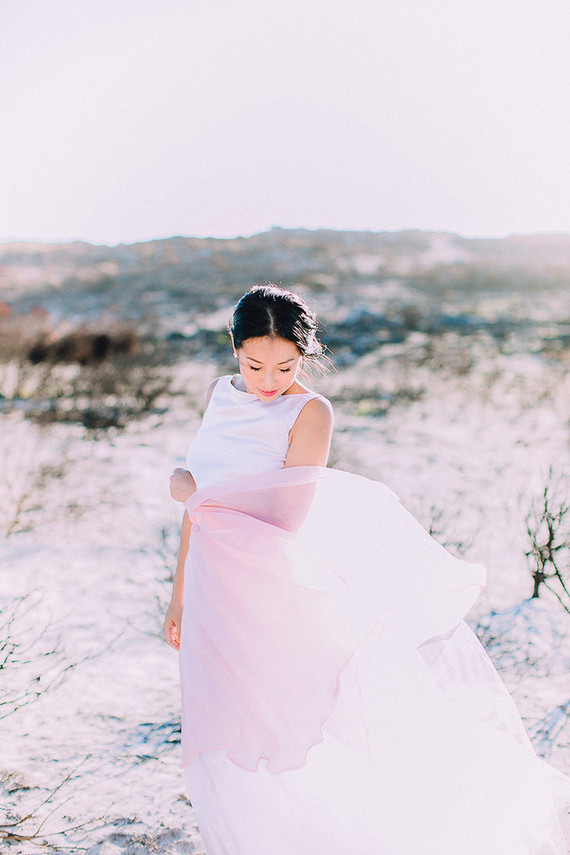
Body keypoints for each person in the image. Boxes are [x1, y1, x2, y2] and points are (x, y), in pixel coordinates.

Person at [164, 285, 570, 855]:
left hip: (273, 590)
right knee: (222, 727)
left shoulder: (309, 411)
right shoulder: (220, 396)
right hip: (213, 589)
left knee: (288, 726)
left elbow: (285, 517)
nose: (268, 379)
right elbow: (199, 523)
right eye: (255, 364)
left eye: (285, 365)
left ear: (304, 355)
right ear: (234, 349)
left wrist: (192, 491)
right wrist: (179, 595)